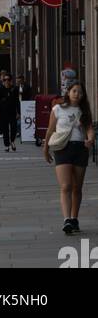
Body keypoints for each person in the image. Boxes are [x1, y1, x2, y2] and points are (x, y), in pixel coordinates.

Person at [43, 81, 95, 234]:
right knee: (65, 186)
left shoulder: (84, 111)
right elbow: (50, 130)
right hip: (62, 149)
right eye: (74, 91)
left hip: (80, 148)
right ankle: (66, 220)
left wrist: (90, 139)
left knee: (77, 187)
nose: (77, 94)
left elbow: (89, 129)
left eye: (80, 92)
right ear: (68, 92)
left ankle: (74, 218)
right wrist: (46, 149)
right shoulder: (57, 109)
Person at [0, 71, 19, 152]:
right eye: (4, 80)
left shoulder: (14, 89)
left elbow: (17, 101)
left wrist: (18, 112)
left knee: (14, 127)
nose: (6, 81)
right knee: (5, 129)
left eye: (8, 80)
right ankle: (6, 145)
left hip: (12, 111)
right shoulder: (0, 89)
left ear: (11, 80)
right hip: (3, 112)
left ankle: (12, 141)